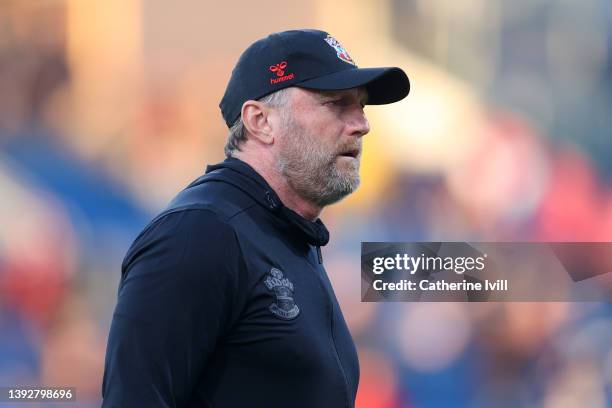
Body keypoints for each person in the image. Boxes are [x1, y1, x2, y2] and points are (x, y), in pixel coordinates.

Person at [102, 29, 409, 407]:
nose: (362, 124)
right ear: (260, 121)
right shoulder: (200, 232)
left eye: (361, 105)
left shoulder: (289, 234)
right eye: (336, 103)